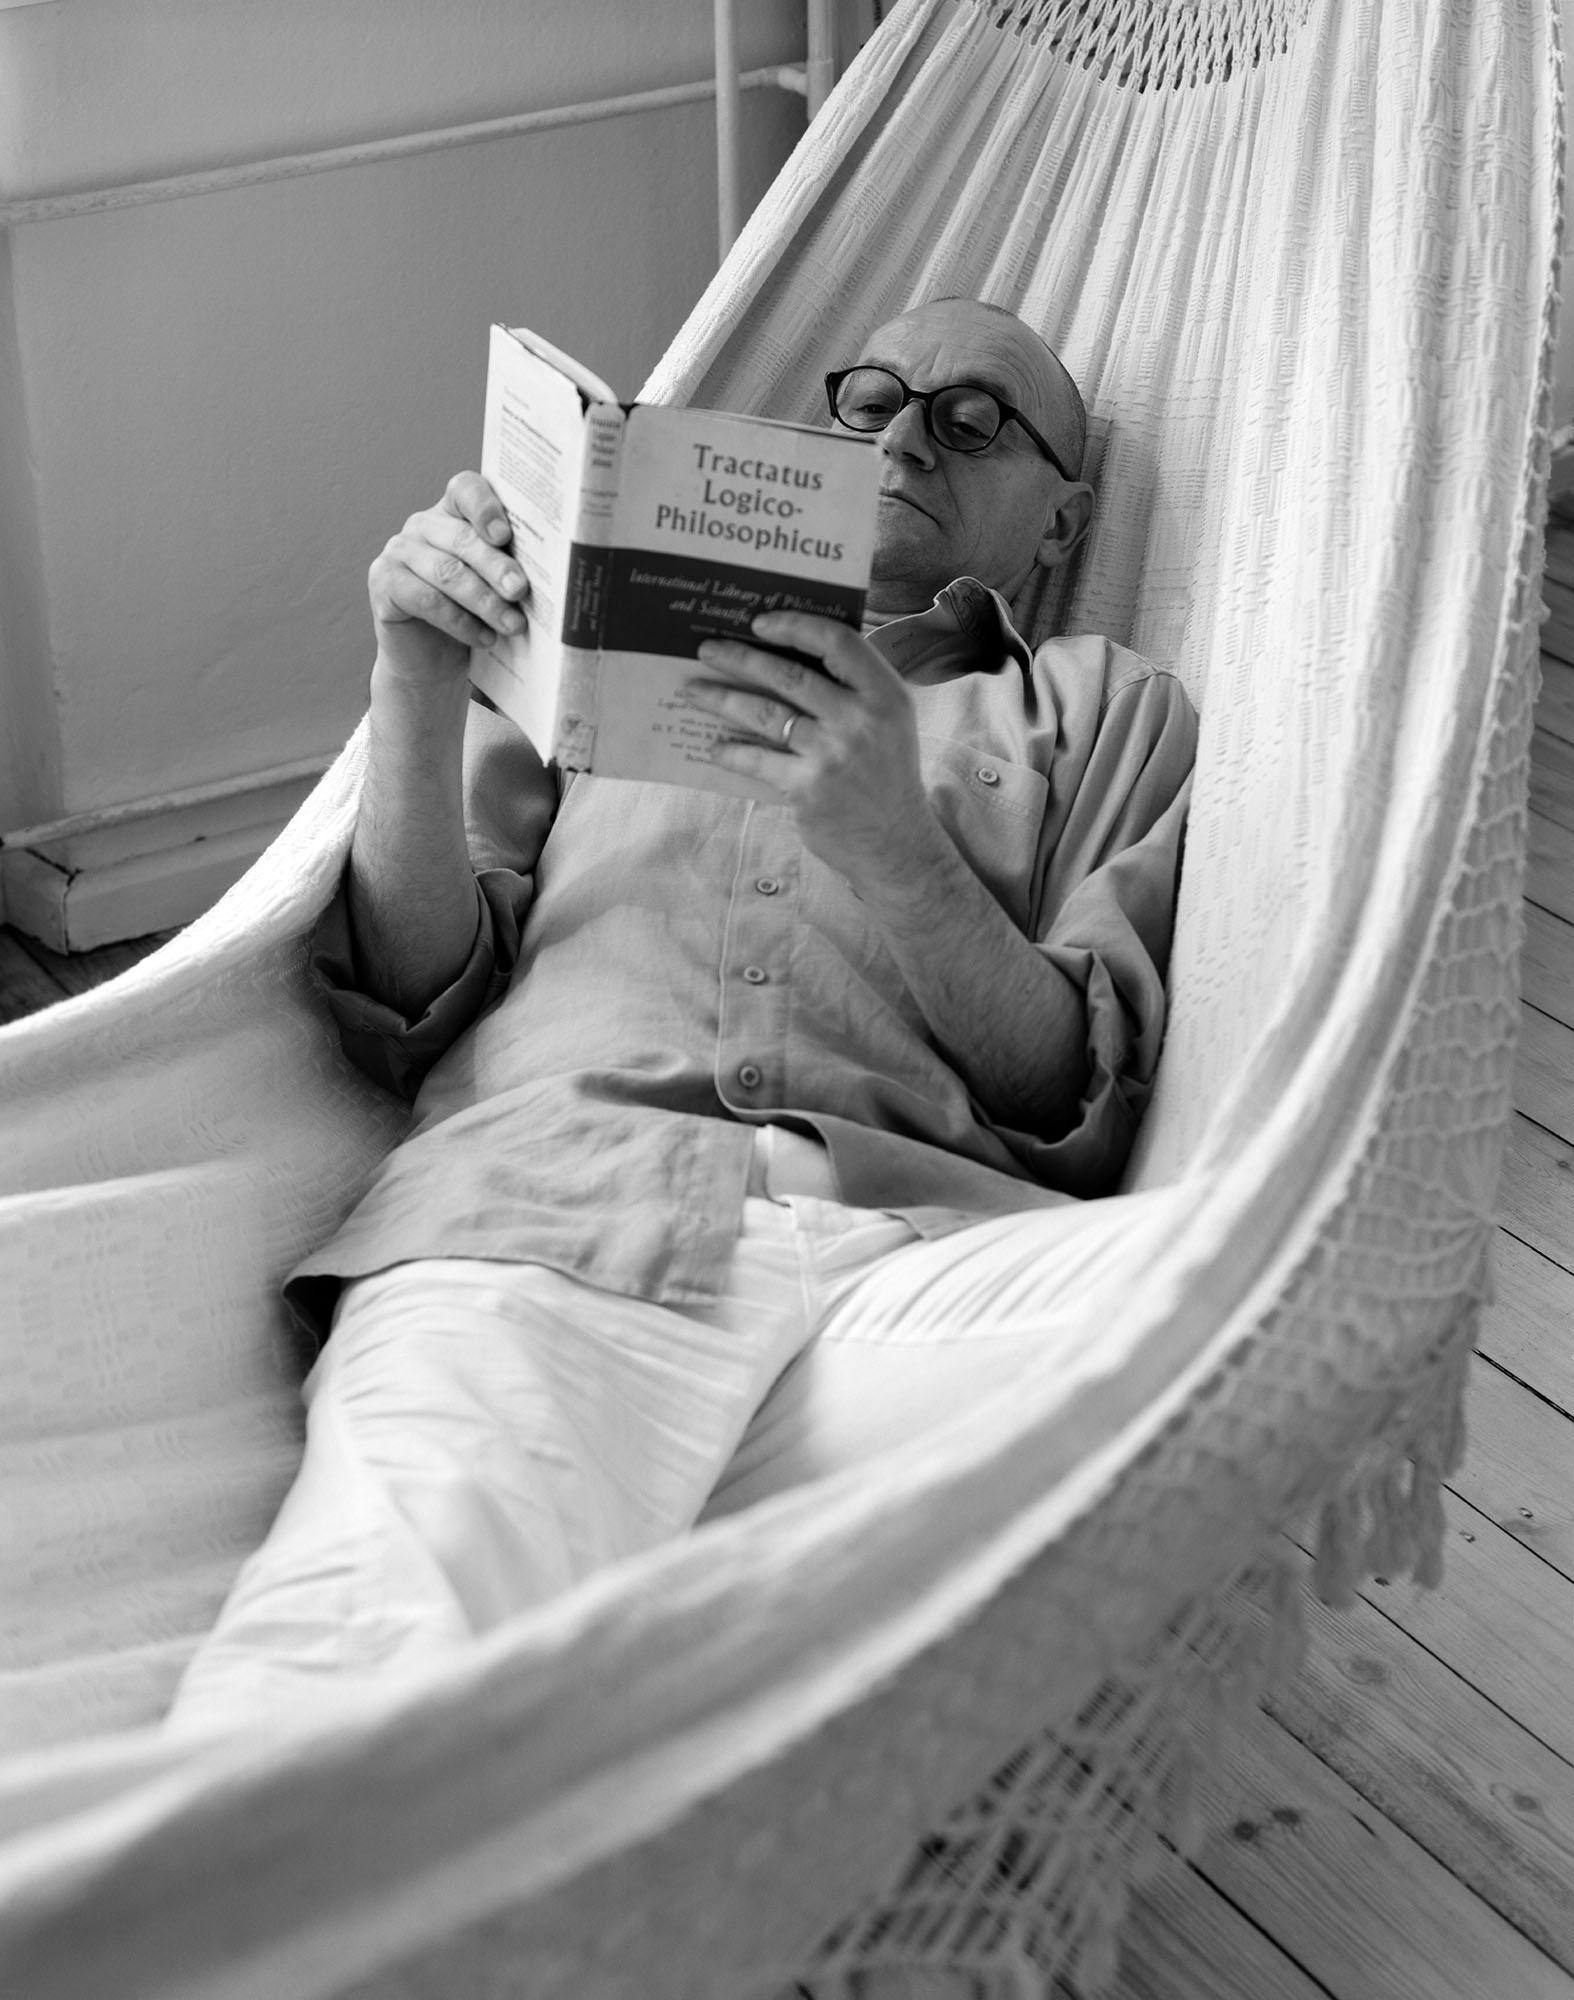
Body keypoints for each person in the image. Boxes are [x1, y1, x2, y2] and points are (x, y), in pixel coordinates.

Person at [167, 298, 1197, 1724]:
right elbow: (408, 991)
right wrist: (414, 680)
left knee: (1227, 1295)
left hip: (925, 1262)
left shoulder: (1102, 710)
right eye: (870, 400)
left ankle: (650, 1651)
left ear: (1062, 524)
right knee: (356, 1671)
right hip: (565, 1209)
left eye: (972, 423)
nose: (904, 438)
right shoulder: (610, 662)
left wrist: (894, 841)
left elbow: (1074, 1096)